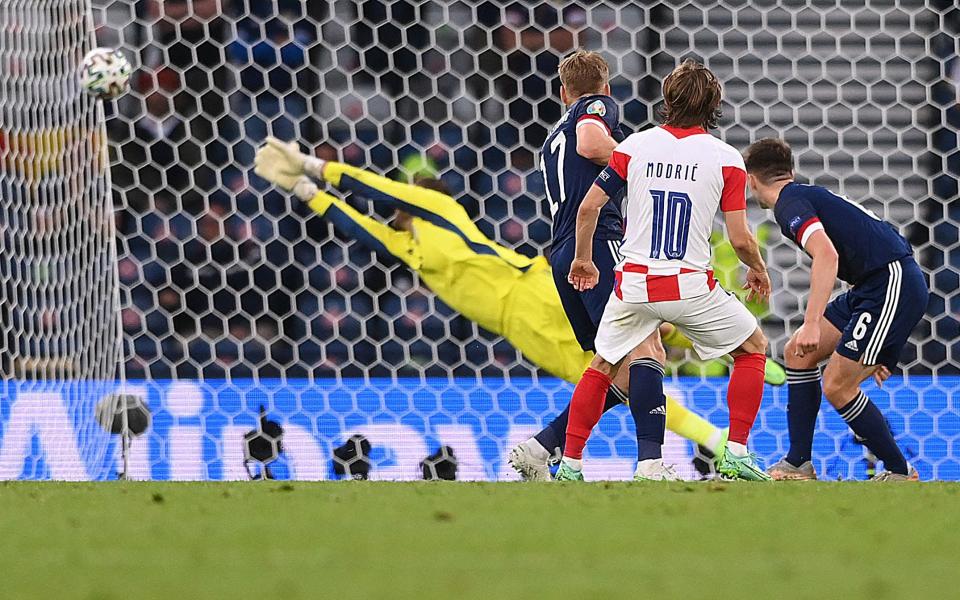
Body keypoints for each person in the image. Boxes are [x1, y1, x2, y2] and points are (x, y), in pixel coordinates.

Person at [252, 141, 726, 476]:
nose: (395, 214)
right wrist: (306, 194)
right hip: (519, 327)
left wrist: (316, 167)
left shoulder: (441, 211)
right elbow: (360, 227)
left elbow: (380, 192)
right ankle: (570, 454)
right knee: (611, 382)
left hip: (534, 291)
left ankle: (715, 364)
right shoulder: (408, 247)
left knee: (636, 342)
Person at [511, 50, 783, 482]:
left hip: (616, 273)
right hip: (684, 282)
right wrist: (759, 270)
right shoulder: (725, 157)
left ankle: (565, 460)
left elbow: (588, 206)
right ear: (714, 108)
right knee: (750, 348)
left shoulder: (632, 147)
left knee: (605, 364)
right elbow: (739, 237)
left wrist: (581, 257)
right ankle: (719, 454)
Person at [744, 138, 928, 481]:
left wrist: (813, 322)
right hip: (875, 285)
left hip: (889, 283)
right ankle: (798, 463)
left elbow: (828, 255)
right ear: (790, 171)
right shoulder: (803, 195)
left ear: (750, 179)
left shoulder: (789, 204)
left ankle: (900, 471)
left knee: (837, 386)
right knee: (797, 353)